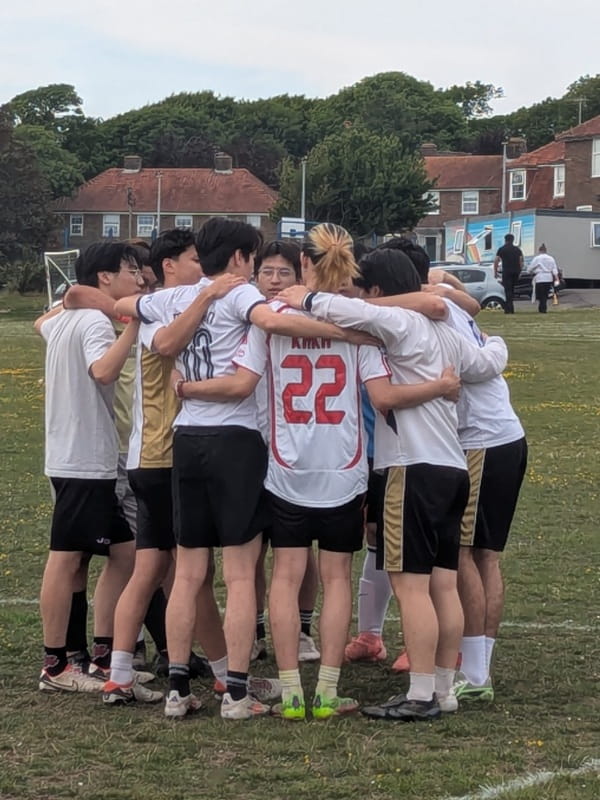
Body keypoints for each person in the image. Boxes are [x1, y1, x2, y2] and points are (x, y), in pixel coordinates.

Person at [177, 224, 463, 721]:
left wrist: (187, 390)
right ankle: (328, 692)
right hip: (345, 467)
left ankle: (291, 691)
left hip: (288, 465)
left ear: (303, 266)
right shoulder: (364, 325)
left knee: (285, 578)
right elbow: (383, 387)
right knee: (335, 579)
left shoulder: (270, 320)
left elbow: (243, 380)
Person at [133, 217, 379, 720]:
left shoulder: (174, 298)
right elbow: (263, 336)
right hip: (247, 443)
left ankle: (179, 688)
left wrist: (185, 384)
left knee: (189, 572)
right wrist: (344, 332)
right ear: (243, 259)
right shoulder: (246, 300)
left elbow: (130, 314)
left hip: (187, 439)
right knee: (243, 574)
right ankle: (239, 692)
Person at [278, 248, 509, 722]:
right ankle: (443, 688)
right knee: (444, 585)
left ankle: (421, 693)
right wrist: (497, 340)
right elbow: (485, 362)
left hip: (410, 469)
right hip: (452, 469)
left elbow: (348, 311)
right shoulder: (445, 329)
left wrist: (305, 296)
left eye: (365, 288)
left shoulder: (399, 323)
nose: (360, 295)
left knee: (412, 588)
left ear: (379, 291)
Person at [35, 242, 144, 693]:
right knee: (65, 559)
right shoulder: (97, 323)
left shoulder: (63, 318)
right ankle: (56, 665)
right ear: (104, 278)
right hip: (83, 460)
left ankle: (100, 653)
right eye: (130, 271)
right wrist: (131, 330)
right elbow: (102, 372)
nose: (138, 279)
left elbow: (44, 321)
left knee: (124, 552)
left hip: (77, 457)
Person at [251, 240, 320, 664]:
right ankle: (258, 628)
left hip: (303, 446)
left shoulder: (313, 314)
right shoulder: (247, 315)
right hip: (256, 444)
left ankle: (304, 628)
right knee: (254, 548)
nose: (275, 281)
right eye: (267, 272)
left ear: (300, 277)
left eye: (284, 273)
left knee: (299, 547)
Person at [493, 234, 524, 314]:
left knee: (507, 290)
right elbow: (521, 261)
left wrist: (495, 272)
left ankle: (509, 309)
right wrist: (520, 271)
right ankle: (511, 308)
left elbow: (496, 260)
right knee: (512, 290)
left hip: (507, 272)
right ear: (513, 240)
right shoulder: (517, 249)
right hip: (515, 272)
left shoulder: (502, 249)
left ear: (505, 240)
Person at [527, 244, 559, 314]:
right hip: (548, 278)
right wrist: (557, 279)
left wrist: (530, 272)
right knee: (545, 294)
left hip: (540, 278)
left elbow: (530, 268)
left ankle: (542, 307)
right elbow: (554, 269)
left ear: (540, 250)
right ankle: (543, 307)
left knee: (540, 294)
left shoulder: (537, 258)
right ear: (545, 250)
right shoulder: (551, 258)